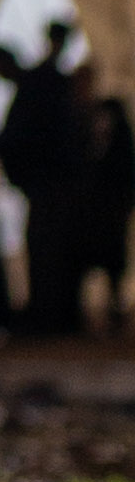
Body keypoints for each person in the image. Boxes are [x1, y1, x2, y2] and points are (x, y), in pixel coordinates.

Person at [0, 16, 95, 340]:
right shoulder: (52, 82)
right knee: (54, 251)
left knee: (48, 250)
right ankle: (57, 315)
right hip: (58, 182)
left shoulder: (42, 84)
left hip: (51, 183)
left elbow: (31, 136)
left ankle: (50, 316)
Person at [87, 63, 135, 342]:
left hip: (111, 204)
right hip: (106, 205)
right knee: (109, 257)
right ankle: (114, 306)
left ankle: (115, 305)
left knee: (113, 257)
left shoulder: (112, 122)